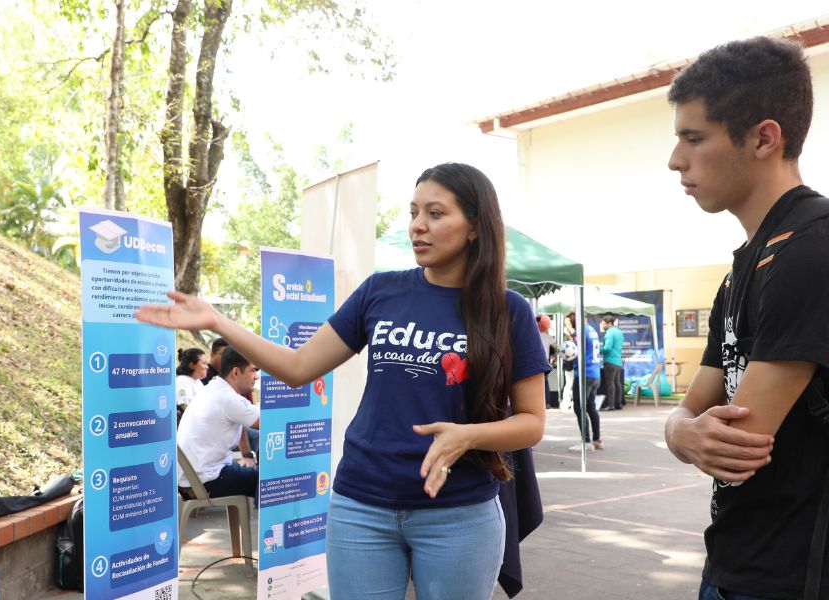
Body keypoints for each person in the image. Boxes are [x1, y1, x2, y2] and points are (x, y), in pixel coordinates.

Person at [137, 162, 549, 600]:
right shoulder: (380, 292)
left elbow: (532, 422)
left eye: (435, 214)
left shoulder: (510, 311)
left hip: (459, 514)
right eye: (413, 213)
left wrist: (467, 436)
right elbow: (298, 367)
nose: (417, 227)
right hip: (362, 506)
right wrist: (219, 321)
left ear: (474, 227)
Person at [663, 37, 829, 600]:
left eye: (694, 138)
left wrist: (688, 435)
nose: (676, 160)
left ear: (764, 137)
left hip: (802, 578)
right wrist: (681, 432)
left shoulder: (818, 251)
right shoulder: (748, 265)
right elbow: (691, 412)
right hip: (736, 560)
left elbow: (736, 446)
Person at [176, 347, 261, 499]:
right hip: (204, 481)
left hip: (191, 477)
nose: (257, 377)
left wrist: (247, 454)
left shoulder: (213, 388)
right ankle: (276, 523)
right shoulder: (228, 398)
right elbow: (270, 423)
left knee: (254, 473)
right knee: (268, 481)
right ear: (236, 372)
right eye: (253, 370)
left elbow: (241, 425)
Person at [568, 316, 603, 453]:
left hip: (584, 374)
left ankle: (586, 442)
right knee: (591, 407)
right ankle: (597, 439)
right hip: (595, 373)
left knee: (579, 407)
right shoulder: (592, 329)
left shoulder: (579, 332)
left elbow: (573, 351)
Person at [598, 314, 625, 410]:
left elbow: (607, 348)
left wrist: (597, 351)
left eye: (603, 323)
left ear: (609, 323)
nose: (602, 325)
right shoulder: (618, 332)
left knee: (610, 383)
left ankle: (611, 405)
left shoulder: (609, 333)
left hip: (610, 361)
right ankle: (618, 403)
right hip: (618, 361)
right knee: (617, 383)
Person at [536, 314, 558, 408]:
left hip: (536, 363)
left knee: (538, 384)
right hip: (545, 363)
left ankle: (540, 404)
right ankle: (547, 403)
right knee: (545, 384)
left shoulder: (533, 335)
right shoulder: (549, 337)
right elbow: (556, 350)